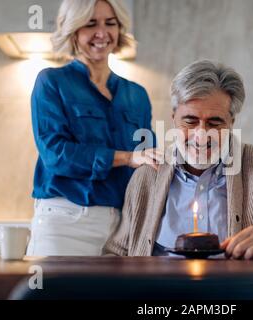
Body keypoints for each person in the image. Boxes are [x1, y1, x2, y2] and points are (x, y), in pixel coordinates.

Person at [103, 60, 253, 259]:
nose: (201, 134)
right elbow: (117, 252)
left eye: (215, 122)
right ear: (173, 118)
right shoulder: (148, 175)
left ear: (231, 122)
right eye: (190, 121)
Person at [27, 0, 162, 256]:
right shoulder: (51, 82)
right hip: (65, 222)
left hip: (124, 228)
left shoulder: (137, 95)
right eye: (91, 24)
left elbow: (148, 163)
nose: (102, 33)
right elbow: (55, 154)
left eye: (110, 23)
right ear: (73, 29)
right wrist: (127, 157)